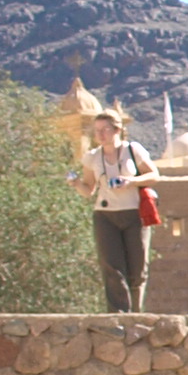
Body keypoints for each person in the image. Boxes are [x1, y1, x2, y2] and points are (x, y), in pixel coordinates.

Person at [70, 108, 160, 311]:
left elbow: (154, 175)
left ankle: (135, 312)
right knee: (111, 267)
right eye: (97, 130)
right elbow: (89, 190)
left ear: (117, 129)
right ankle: (118, 314)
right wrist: (76, 183)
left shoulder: (133, 151)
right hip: (105, 215)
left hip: (134, 213)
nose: (100, 134)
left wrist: (131, 181)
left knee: (137, 268)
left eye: (105, 129)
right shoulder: (92, 157)